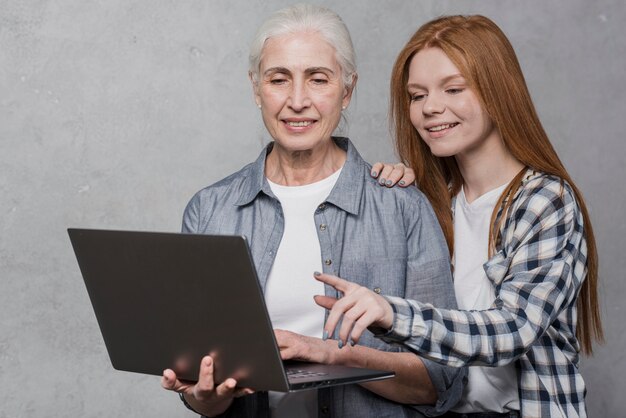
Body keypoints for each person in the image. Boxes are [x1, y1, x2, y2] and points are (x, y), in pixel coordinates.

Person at [161, 5, 466, 418]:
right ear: (256, 88)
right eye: (278, 79)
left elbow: (441, 382)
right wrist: (205, 397)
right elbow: (203, 389)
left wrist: (330, 355)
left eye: (318, 79)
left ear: (347, 89)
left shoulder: (402, 206)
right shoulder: (209, 210)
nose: (297, 101)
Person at [314, 15, 603, 418]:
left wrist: (390, 313)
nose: (431, 108)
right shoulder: (432, 206)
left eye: (453, 89)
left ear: (498, 91)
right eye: (417, 96)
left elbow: (512, 330)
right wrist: (399, 200)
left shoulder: (544, 200)